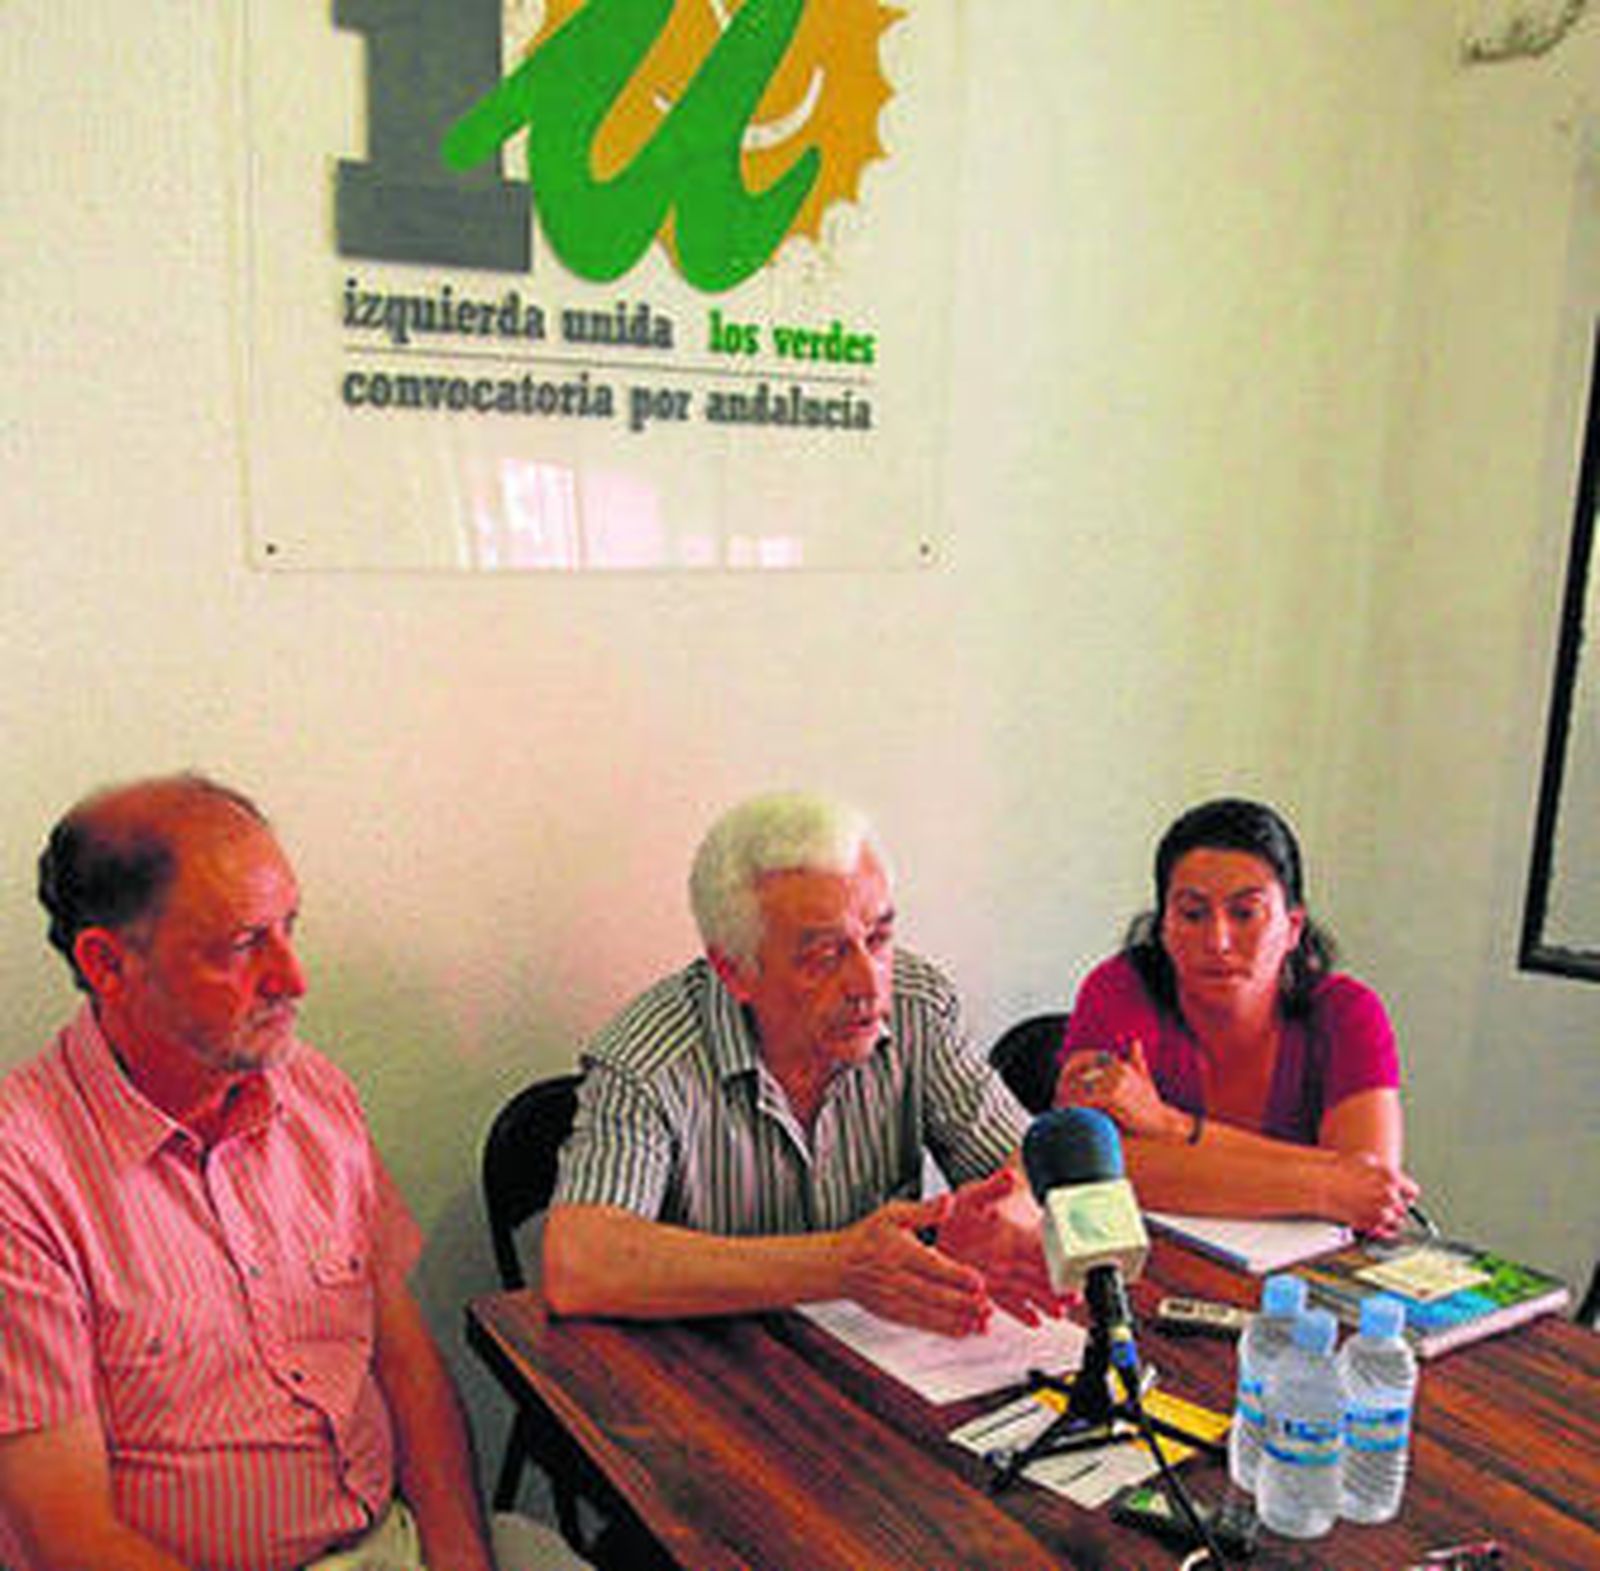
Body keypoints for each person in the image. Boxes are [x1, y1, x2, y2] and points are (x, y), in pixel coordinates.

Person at [0, 775, 558, 1571]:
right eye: (240, 944)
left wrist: (460, 1560)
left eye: (288, 927)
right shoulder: (23, 1177)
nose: (293, 978)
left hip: (385, 1543)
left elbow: (405, 1363)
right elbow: (72, 1538)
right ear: (109, 963)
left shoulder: (315, 1094)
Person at [543, 791, 1061, 1333]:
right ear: (733, 971)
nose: (868, 984)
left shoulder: (917, 1006)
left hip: (879, 1359)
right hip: (709, 1372)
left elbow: (1025, 1161)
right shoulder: (649, 1061)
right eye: (825, 955)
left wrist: (1006, 1217)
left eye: (879, 937)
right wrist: (840, 1266)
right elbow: (579, 1263)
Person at [1051, 798, 1419, 1234]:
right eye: (1192, 914)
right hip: (1158, 1268)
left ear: (1293, 928)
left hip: (1305, 1279)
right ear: (1163, 926)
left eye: (1245, 913)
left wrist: (1172, 1127)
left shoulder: (1347, 1013)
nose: (1218, 940)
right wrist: (1325, 1184)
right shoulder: (1121, 988)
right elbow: (1084, 1167)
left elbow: (1371, 1194)